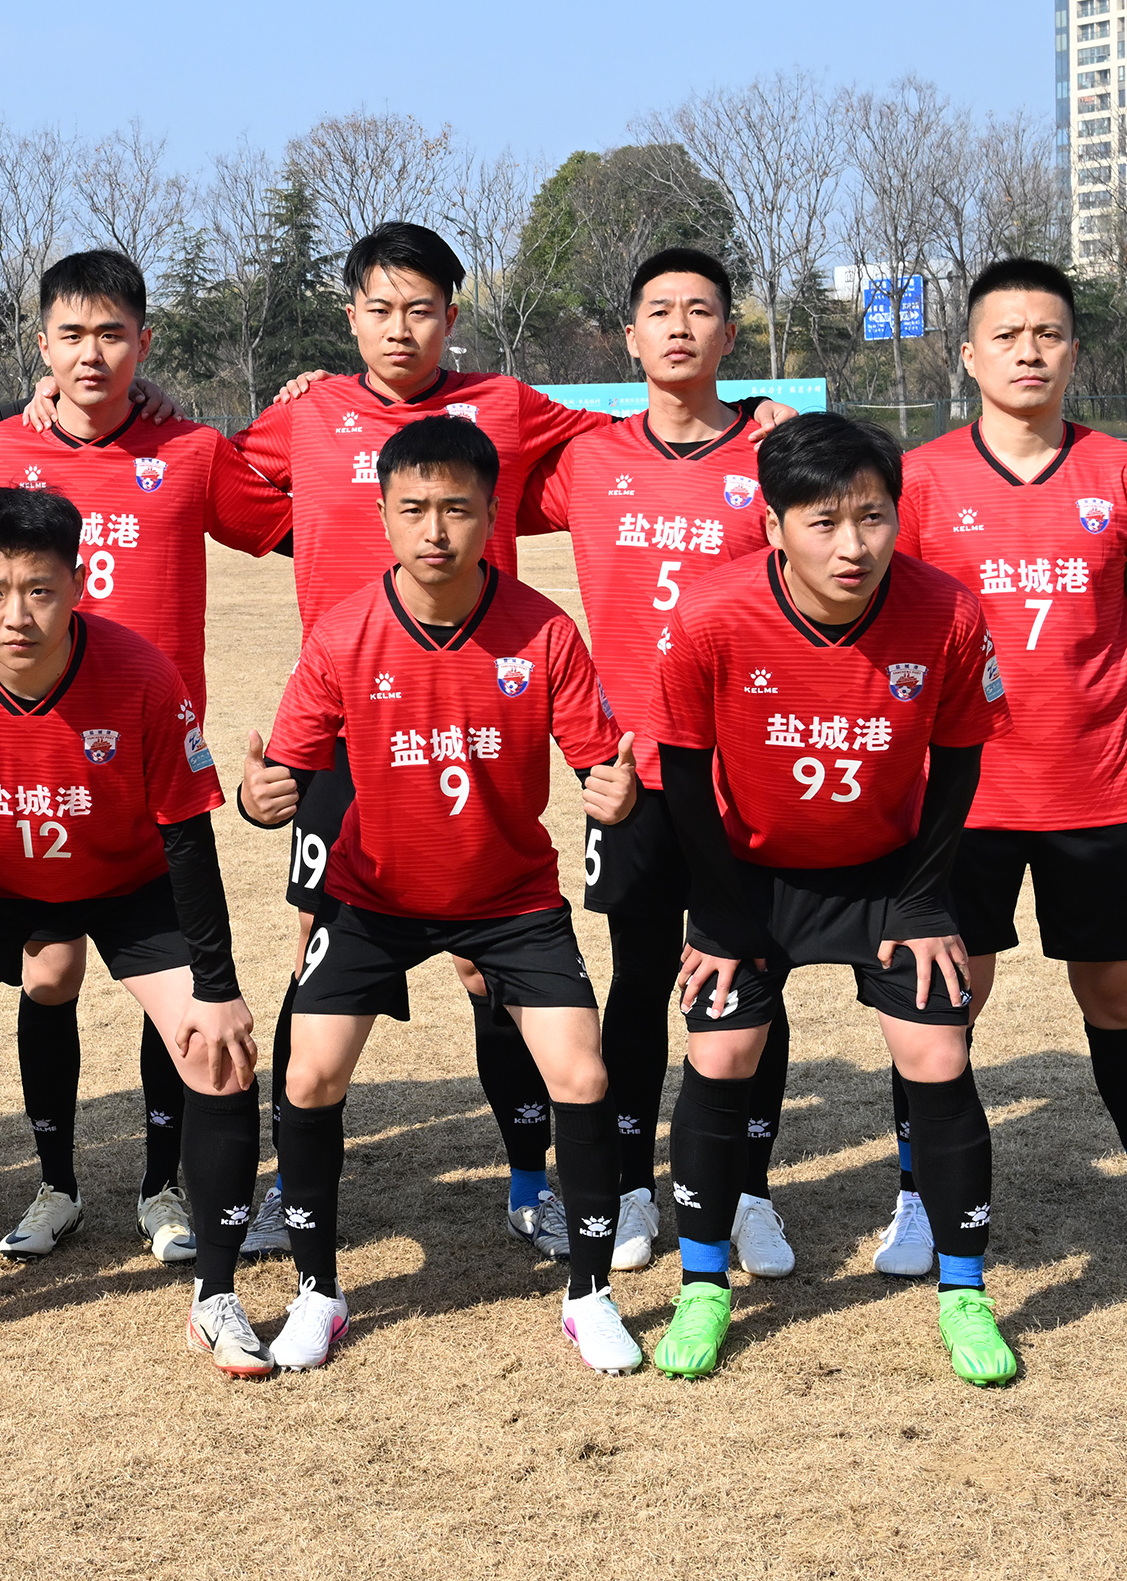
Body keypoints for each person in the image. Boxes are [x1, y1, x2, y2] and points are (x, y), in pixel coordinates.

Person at [232, 222, 619, 1261]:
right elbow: (216, 473)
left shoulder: (505, 404)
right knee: (318, 949)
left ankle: (530, 1179)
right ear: (349, 315)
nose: (400, 329)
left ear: (452, 315)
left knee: (490, 968)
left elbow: (621, 440)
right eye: (380, 308)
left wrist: (750, 421)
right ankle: (292, 1183)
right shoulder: (308, 411)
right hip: (351, 722)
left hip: (476, 703)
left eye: (422, 309)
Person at [0, 250, 290, 1269]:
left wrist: (310, 399)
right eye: (71, 335)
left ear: (144, 343)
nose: (92, 354)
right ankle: (56, 1183)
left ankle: (162, 1186)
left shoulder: (192, 449)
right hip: (22, 771)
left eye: (112, 333)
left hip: (145, 777)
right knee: (48, 973)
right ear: (41, 345)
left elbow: (305, 513)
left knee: (171, 988)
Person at [0, 488, 266, 1381]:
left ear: (78, 585)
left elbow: (188, 838)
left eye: (39, 591)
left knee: (218, 1056)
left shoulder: (141, 674)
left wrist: (216, 987)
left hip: (128, 883)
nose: (16, 615)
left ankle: (216, 1298)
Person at [235, 416, 641, 1373]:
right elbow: (279, 775)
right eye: (413, 508)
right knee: (308, 1076)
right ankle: (317, 1293)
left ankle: (589, 1297)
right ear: (381, 515)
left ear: (492, 516)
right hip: (371, 898)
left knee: (582, 1076)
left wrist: (615, 794)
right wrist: (258, 798)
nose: (434, 530)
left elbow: (601, 765)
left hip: (511, 900)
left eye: (457, 509)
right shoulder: (344, 633)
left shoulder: (544, 629)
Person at [644, 413, 1018, 1385]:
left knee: (939, 1052)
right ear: (773, 526)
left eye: (872, 516)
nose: (853, 545)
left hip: (890, 876)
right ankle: (703, 1283)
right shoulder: (710, 615)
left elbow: (960, 763)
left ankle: (965, 1291)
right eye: (823, 521)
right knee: (721, 1052)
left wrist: (925, 900)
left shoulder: (948, 613)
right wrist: (718, 912)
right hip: (751, 878)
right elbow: (682, 774)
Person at [891, 257, 1127, 1290]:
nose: (1027, 352)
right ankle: (917, 1198)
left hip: (1096, 786)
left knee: (1117, 995)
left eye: (1048, 334)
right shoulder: (918, 480)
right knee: (944, 1003)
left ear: (1075, 349)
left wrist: (1076, 681)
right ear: (968, 355)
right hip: (962, 794)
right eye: (1006, 335)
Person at [521, 247, 798, 1284]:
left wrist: (777, 423)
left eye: (701, 310)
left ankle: (748, 1189)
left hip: (748, 765)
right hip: (629, 768)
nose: (680, 327)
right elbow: (446, 460)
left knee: (753, 970)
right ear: (629, 337)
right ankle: (633, 1185)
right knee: (639, 977)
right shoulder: (587, 459)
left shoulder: (772, 451)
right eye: (660, 312)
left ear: (731, 332)